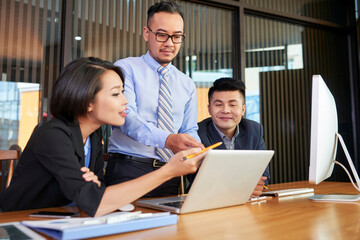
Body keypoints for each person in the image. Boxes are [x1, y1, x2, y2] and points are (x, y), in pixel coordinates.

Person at [0, 57, 206, 217]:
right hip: (18, 224)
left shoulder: (93, 136)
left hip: (67, 220)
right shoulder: (51, 134)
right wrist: (169, 171)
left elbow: (96, 193)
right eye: (116, 94)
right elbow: (95, 201)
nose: (126, 101)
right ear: (87, 101)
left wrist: (91, 191)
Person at [105, 1, 203, 197]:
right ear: (146, 33)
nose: (169, 43)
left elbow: (188, 129)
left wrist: (199, 150)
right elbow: (127, 118)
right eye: (161, 34)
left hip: (170, 172)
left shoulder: (187, 83)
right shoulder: (126, 69)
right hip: (129, 169)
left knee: (167, 227)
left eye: (177, 36)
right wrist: (168, 140)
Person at [195, 78, 270, 197]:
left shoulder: (254, 130)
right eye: (219, 104)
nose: (225, 110)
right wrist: (242, 185)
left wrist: (256, 185)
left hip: (247, 201)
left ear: (243, 109)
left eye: (233, 105)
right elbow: (198, 180)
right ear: (209, 109)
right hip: (206, 202)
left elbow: (264, 176)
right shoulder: (198, 133)